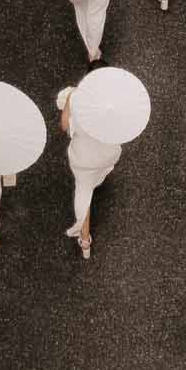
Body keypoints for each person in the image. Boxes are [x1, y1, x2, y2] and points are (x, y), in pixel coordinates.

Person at [60, 89, 120, 261]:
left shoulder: (79, 102)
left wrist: (69, 102)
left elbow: (65, 126)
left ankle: (85, 241)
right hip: (107, 155)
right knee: (100, 171)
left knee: (84, 193)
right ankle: (99, 179)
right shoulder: (114, 106)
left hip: (85, 159)